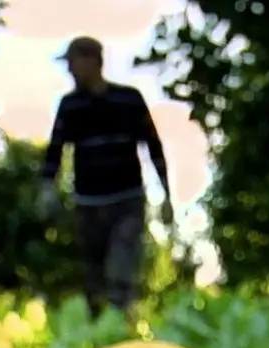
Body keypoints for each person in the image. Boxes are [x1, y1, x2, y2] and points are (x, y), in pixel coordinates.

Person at [38, 35, 175, 319]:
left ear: (93, 61)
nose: (70, 71)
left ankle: (122, 325)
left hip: (127, 200)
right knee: (93, 275)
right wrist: (47, 187)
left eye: (73, 63)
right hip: (88, 203)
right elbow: (55, 148)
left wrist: (166, 194)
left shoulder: (128, 99)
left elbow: (153, 145)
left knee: (121, 270)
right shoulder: (70, 105)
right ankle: (97, 330)